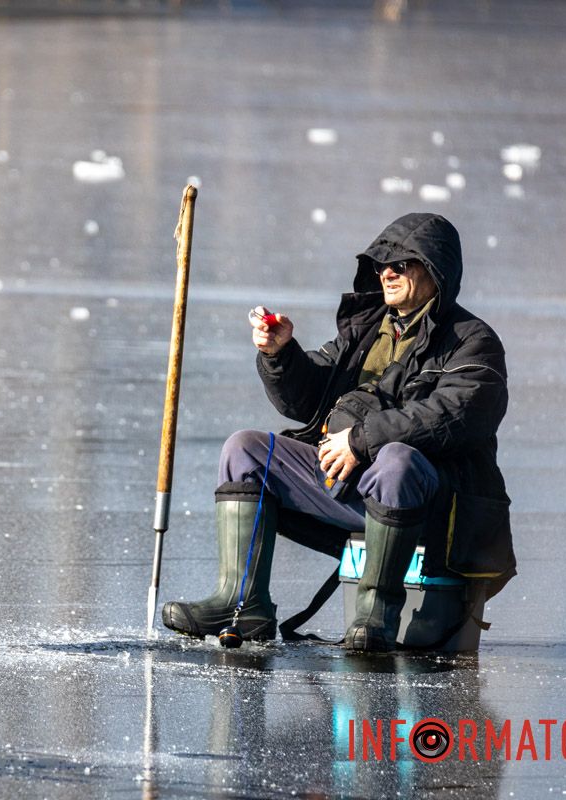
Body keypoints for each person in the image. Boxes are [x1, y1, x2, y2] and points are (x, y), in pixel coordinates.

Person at [161, 212, 516, 652]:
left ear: (435, 269)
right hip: (352, 488)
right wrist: (282, 355)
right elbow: (309, 397)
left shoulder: (472, 340)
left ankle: (376, 616)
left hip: (434, 507)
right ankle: (243, 605)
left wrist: (361, 440)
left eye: (401, 264)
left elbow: (456, 415)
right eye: (381, 264)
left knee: (396, 462)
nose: (387, 273)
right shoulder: (369, 328)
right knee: (246, 451)